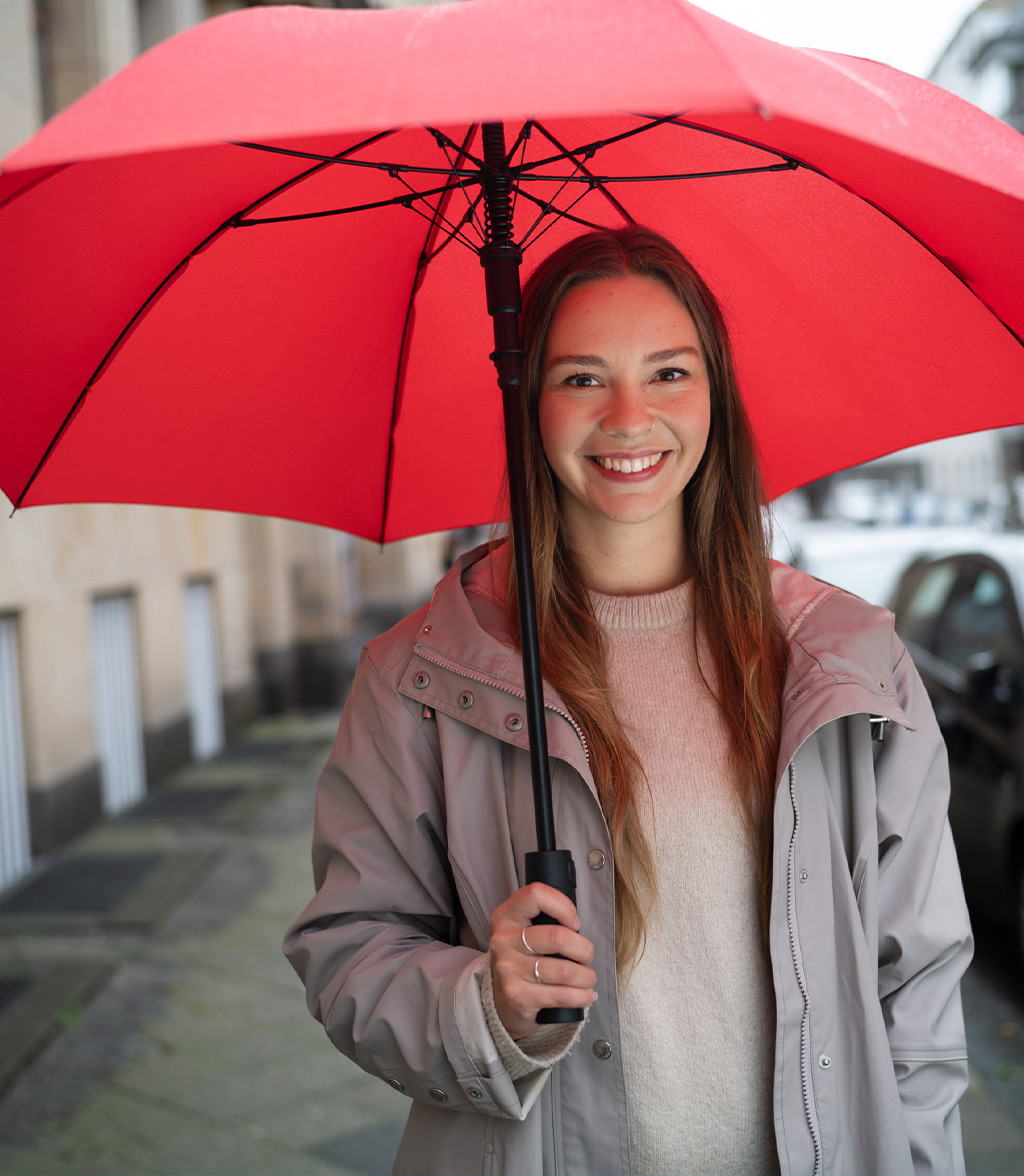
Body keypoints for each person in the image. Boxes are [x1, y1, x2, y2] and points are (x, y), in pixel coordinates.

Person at [284, 226, 972, 1176]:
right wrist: (484, 1005)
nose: (628, 416)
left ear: (715, 395)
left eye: (668, 372)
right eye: (579, 378)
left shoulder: (844, 661)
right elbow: (347, 948)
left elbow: (920, 986)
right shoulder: (424, 675)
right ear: (529, 405)